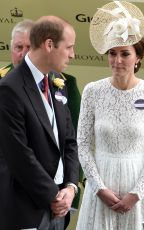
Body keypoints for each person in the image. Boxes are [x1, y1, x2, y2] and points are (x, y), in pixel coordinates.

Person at [0, 15, 79, 230]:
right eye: (69, 47)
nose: (72, 54)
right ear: (49, 44)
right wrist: (53, 196)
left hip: (60, 211)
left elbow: (70, 141)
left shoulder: (59, 83)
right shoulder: (9, 88)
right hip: (25, 211)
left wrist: (70, 188)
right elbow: (19, 155)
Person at [76, 1, 144, 230]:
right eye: (112, 53)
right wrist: (99, 188)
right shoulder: (93, 91)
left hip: (137, 190)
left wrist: (136, 194)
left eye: (125, 54)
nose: (117, 61)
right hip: (100, 188)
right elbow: (83, 144)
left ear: (138, 58)